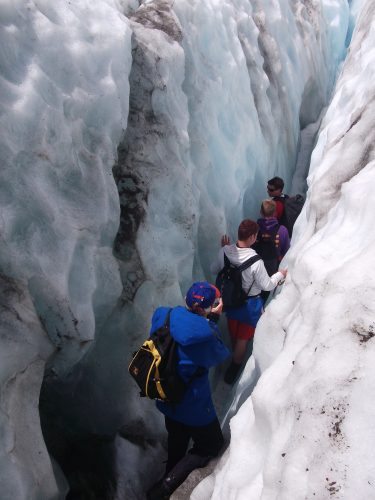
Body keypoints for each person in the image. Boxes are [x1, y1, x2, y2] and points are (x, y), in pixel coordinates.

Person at [147, 282, 230, 500]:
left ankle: (170, 470)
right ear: (207, 309)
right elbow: (218, 354)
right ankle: (165, 488)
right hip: (193, 406)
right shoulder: (206, 334)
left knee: (177, 439)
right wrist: (212, 321)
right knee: (211, 445)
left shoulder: (163, 315)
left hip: (165, 395)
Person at [211, 219, 287, 384]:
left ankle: (231, 354)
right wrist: (280, 274)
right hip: (249, 306)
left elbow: (213, 269)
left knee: (234, 329)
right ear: (252, 237)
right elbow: (267, 285)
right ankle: (235, 367)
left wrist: (223, 250)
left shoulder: (225, 251)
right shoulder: (256, 261)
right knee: (243, 339)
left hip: (229, 301)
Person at [253, 199, 290, 303]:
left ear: (261, 212)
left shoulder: (254, 228)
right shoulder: (282, 230)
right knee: (265, 292)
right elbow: (286, 251)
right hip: (272, 267)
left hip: (254, 265)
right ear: (275, 213)